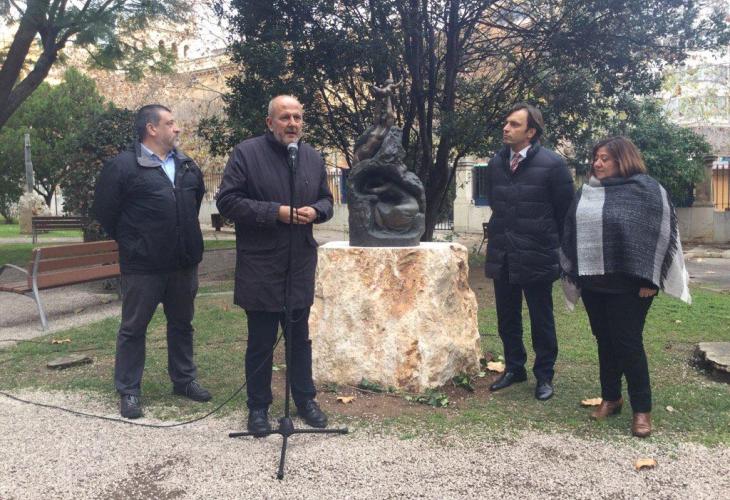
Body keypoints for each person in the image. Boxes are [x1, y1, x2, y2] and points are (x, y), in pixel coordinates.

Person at [216, 95, 334, 435]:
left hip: (299, 263)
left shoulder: (311, 157)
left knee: (299, 339)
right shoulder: (246, 153)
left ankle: (305, 400)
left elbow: (327, 199)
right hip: (261, 265)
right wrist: (276, 212)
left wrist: (317, 211)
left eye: (297, 117)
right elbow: (228, 201)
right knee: (261, 341)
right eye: (285, 117)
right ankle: (258, 407)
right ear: (270, 122)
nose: (293, 123)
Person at [560, 136, 690, 437]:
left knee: (628, 343)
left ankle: (642, 410)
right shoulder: (587, 192)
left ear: (623, 160)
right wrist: (577, 272)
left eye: (605, 158)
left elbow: (659, 235)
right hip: (594, 282)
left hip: (632, 286)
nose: (597, 163)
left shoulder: (647, 190)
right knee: (604, 340)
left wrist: (650, 279)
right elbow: (572, 229)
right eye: (595, 158)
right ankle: (611, 397)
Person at [93, 104, 212, 419]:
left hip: (183, 264)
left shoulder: (186, 164)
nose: (177, 128)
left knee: (182, 325)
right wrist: (134, 242)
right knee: (133, 329)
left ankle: (184, 380)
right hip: (143, 267)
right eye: (170, 123)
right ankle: (129, 390)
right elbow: (105, 212)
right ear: (151, 128)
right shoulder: (123, 166)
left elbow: (193, 201)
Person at [483, 103, 575, 400]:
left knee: (541, 319)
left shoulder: (553, 165)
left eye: (514, 124)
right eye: (506, 122)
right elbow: (497, 203)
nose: (506, 128)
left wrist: (554, 246)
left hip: (537, 254)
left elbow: (565, 212)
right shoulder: (496, 163)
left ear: (531, 132)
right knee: (507, 317)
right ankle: (514, 368)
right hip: (503, 253)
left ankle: (544, 375)